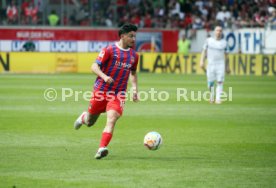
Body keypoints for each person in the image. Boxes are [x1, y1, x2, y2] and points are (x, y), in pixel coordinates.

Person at [74, 23, 139, 159]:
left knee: (112, 119)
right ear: (122, 36)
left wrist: (134, 89)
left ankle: (101, 148)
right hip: (101, 91)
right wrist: (104, 76)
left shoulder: (134, 55)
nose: (134, 39)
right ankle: (83, 118)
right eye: (131, 36)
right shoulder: (109, 50)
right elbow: (94, 66)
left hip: (118, 93)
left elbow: (133, 72)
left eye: (135, 36)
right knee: (90, 122)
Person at [200, 25, 230, 104]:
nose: (218, 32)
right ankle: (211, 97)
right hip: (210, 64)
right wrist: (201, 61)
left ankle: (218, 99)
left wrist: (227, 66)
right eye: (217, 30)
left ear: (222, 32)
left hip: (220, 64)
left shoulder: (224, 43)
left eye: (220, 31)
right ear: (214, 32)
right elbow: (204, 51)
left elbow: (227, 56)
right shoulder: (208, 41)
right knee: (210, 82)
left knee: (220, 82)